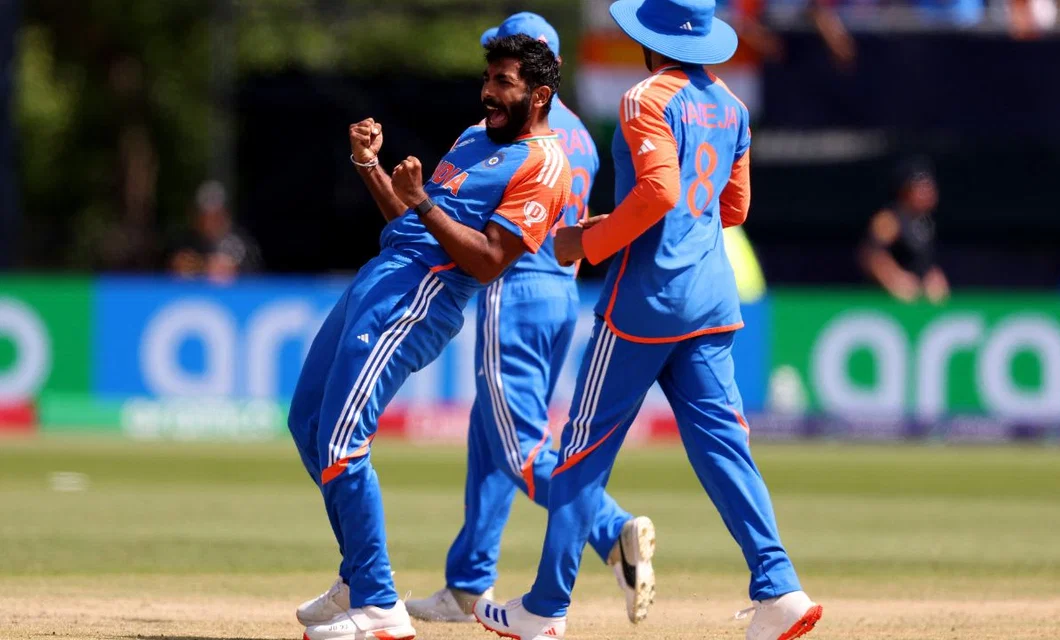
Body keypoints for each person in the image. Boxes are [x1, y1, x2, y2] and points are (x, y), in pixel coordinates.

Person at [474, 2, 821, 640]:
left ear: (648, 38)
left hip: (645, 303)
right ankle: (780, 590)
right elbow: (735, 207)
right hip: (713, 298)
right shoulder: (733, 107)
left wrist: (591, 241)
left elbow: (659, 190)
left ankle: (545, 608)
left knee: (581, 455)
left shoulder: (643, 99)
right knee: (724, 447)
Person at [286, 35, 571, 640]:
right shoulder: (475, 137)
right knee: (308, 422)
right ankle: (361, 577)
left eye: (504, 82)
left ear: (540, 95)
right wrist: (371, 166)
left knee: (341, 435)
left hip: (424, 298)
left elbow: (490, 260)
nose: (489, 92)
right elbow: (414, 221)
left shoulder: (546, 165)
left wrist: (422, 202)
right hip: (383, 276)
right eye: (488, 77)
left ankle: (381, 608)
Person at [403, 13, 655, 627]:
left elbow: (471, 214)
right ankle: (467, 586)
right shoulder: (582, 139)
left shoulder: (505, 131)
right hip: (561, 297)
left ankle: (611, 530)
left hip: (512, 289)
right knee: (491, 432)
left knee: (517, 444)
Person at [859, 158, 949, 304]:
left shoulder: (925, 222)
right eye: (921, 188)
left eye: (929, 187)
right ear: (906, 190)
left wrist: (932, 276)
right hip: (887, 304)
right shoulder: (890, 219)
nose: (928, 193)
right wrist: (895, 279)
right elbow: (871, 255)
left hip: (921, 301)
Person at [167, 180, 262, 282]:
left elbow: (253, 276)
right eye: (204, 215)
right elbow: (172, 269)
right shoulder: (185, 241)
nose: (209, 222)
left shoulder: (242, 243)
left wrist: (206, 267)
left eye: (215, 215)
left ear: (225, 214)